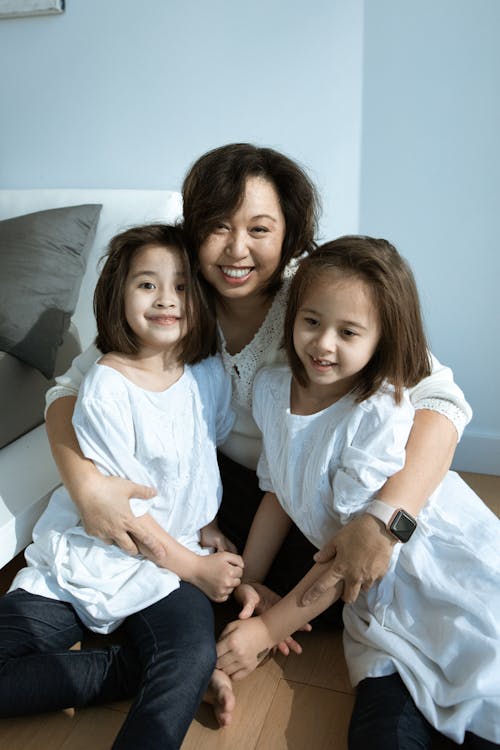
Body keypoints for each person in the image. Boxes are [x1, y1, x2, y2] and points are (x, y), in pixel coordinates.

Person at [44, 143, 472, 616]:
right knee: (178, 584)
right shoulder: (175, 300)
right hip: (224, 493)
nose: (237, 250)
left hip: (313, 492)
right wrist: (86, 487)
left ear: (289, 234)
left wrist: (385, 520)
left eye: (259, 230)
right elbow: (67, 390)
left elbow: (442, 399)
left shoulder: (315, 300)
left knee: (336, 592)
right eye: (218, 227)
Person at [215, 236, 500, 748]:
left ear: (382, 338)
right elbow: (278, 492)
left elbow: (349, 556)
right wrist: (251, 581)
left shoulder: (375, 413)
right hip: (369, 600)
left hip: (427, 573)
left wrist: (269, 630)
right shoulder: (273, 387)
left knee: (480, 691)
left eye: (348, 332)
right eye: (311, 323)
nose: (324, 344)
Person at [0, 224, 244, 748]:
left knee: (188, 657)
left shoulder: (207, 371)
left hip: (168, 564)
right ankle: (127, 671)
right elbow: (122, 517)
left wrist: (209, 525)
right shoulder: (108, 386)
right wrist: (198, 568)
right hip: (98, 552)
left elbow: (201, 459)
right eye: (147, 285)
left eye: (181, 286)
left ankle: (170, 671)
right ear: (118, 293)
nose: (166, 300)